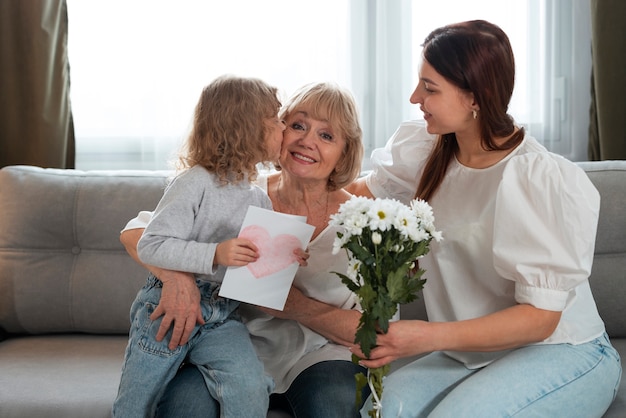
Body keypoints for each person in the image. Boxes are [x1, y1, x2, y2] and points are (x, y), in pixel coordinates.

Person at [346, 20, 622, 417]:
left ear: (475, 96)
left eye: (430, 87)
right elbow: (355, 197)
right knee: (388, 410)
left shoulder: (535, 175)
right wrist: (268, 187)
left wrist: (425, 336)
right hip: (474, 354)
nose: (414, 97)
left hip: (564, 351)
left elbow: (541, 320)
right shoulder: (431, 150)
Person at [119, 82, 369, 417]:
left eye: (326, 135)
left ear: (345, 151)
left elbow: (374, 331)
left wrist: (290, 303)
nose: (307, 140)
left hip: (319, 354)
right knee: (184, 408)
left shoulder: (362, 221)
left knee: (333, 406)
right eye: (297, 125)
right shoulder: (237, 188)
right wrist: (179, 279)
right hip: (236, 341)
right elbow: (137, 234)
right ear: (274, 131)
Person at [112, 75, 287, 418]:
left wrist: (283, 259)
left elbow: (257, 288)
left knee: (249, 386)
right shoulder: (194, 183)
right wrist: (216, 254)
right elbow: (152, 244)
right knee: (137, 401)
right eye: (277, 119)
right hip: (165, 311)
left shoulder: (259, 199)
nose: (285, 128)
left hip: (223, 317)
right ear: (248, 127)